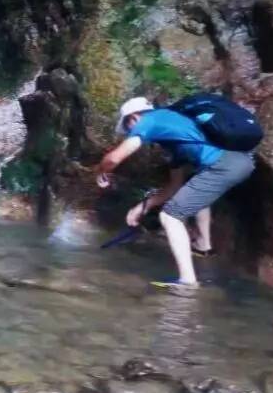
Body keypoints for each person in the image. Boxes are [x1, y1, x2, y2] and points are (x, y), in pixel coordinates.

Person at [96, 96, 255, 290]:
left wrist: (102, 171)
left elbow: (114, 158)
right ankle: (204, 247)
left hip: (225, 166)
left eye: (128, 128)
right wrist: (142, 207)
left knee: (171, 216)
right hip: (237, 163)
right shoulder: (172, 136)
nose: (130, 131)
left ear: (134, 118)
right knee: (192, 192)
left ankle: (188, 281)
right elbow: (174, 187)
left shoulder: (150, 120)